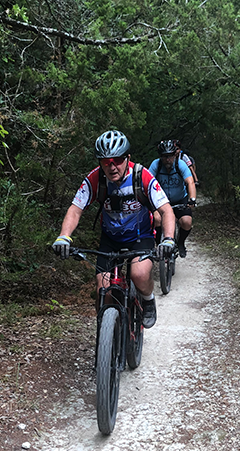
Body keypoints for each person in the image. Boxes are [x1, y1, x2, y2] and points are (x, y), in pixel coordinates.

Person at [52, 130, 176, 328]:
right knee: (104, 291)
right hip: (110, 238)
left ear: (127, 158)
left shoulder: (141, 176)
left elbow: (166, 210)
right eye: (106, 161)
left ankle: (148, 299)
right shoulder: (95, 179)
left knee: (139, 274)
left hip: (140, 236)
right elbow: (75, 210)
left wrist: (168, 239)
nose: (112, 166)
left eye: (117, 160)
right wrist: (64, 237)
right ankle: (110, 337)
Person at [149, 139, 197, 258]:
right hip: (161, 201)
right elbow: (148, 183)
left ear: (175, 155)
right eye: (165, 157)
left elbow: (190, 182)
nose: (168, 159)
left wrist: (192, 199)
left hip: (180, 199)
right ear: (161, 157)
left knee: (186, 222)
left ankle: (180, 243)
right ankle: (159, 244)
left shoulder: (180, 164)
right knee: (157, 220)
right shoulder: (156, 165)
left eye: (170, 156)